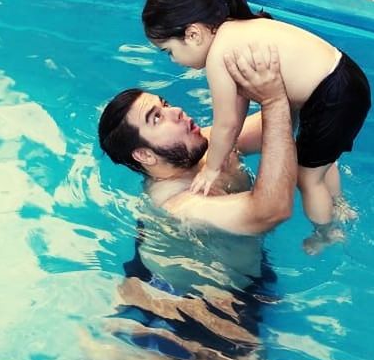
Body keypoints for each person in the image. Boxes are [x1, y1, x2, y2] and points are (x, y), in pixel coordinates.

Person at [142, 0, 371, 252]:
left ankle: (326, 234)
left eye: (169, 51)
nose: (174, 60)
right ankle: (340, 206)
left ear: (193, 34)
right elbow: (236, 116)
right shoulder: (238, 29)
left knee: (308, 180)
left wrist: (211, 169)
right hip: (345, 75)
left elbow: (225, 124)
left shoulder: (218, 58)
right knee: (320, 163)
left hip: (331, 95)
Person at [98, 42, 296, 237]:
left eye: (165, 104)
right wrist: (273, 100)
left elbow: (283, 121)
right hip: (222, 269)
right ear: (144, 155)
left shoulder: (203, 144)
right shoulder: (180, 205)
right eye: (156, 117)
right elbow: (270, 211)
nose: (176, 111)